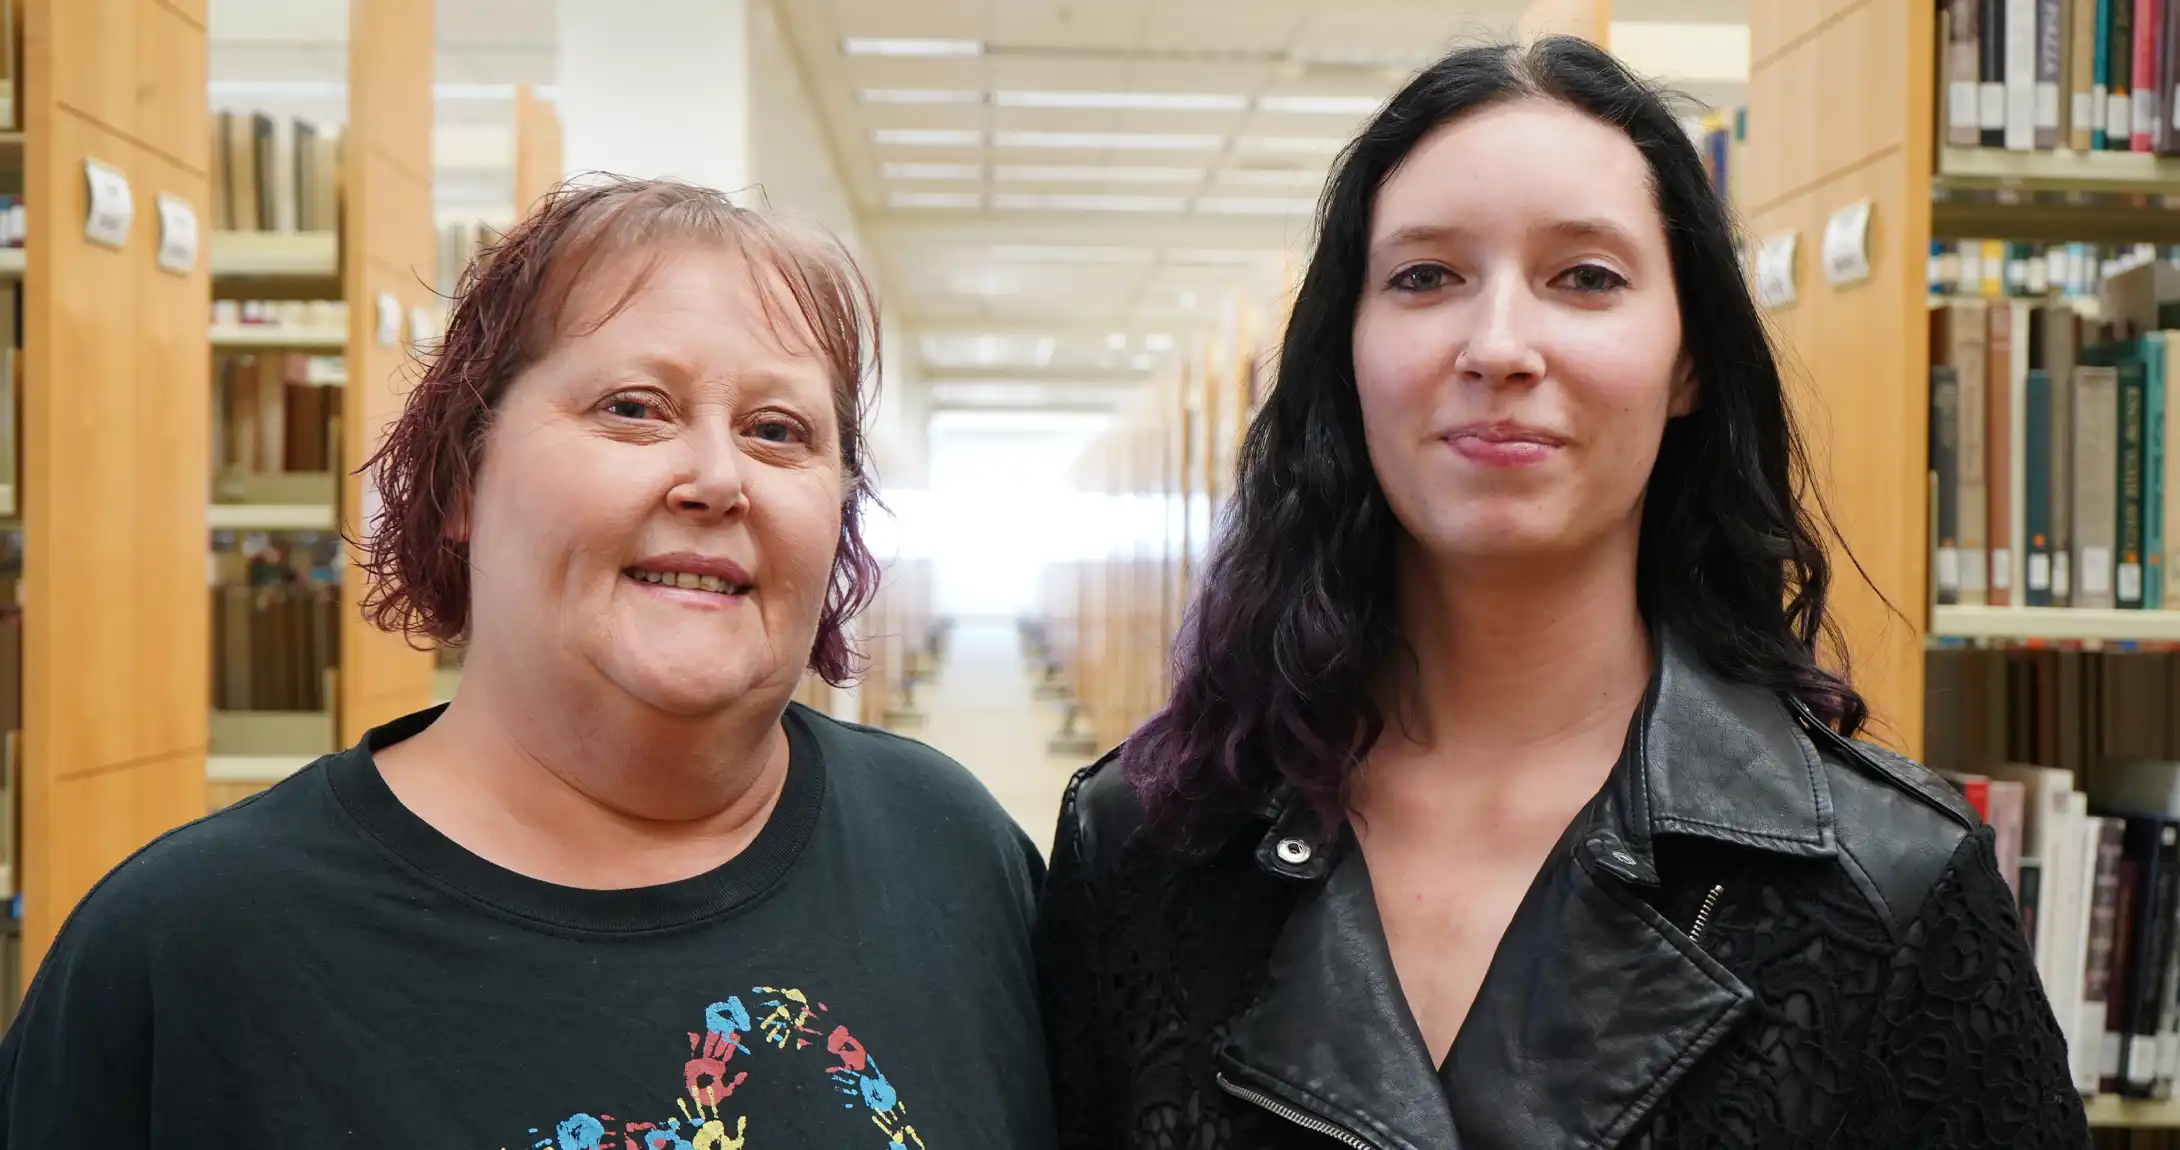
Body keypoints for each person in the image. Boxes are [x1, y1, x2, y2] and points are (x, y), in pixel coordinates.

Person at [1033, 36, 2088, 1150]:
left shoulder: (1891, 881)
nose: (1496, 346)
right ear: (1345, 353)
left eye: (1584, 278)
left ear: (1688, 361)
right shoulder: (1146, 840)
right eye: (1424, 277)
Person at [0, 178, 1055, 1149]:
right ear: (461, 474)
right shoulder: (188, 948)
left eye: (778, 431)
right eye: (633, 409)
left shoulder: (952, 854)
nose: (716, 476)